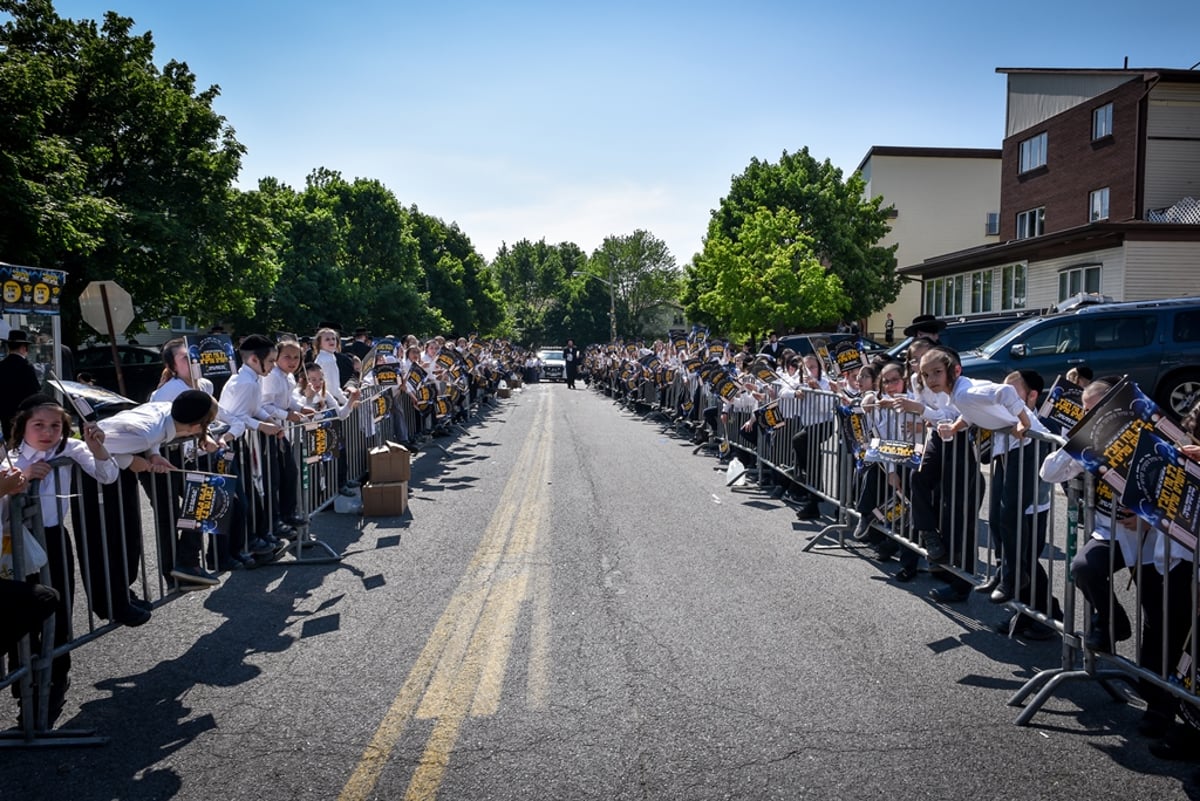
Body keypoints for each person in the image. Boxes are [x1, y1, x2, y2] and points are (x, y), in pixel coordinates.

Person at [9, 393, 118, 723]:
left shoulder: (70, 449)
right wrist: (23, 475)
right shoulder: (11, 456)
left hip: (53, 539)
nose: (47, 432)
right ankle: (23, 688)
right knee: (19, 613)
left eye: (55, 425)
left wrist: (97, 445)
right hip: (15, 543)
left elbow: (108, 475)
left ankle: (55, 680)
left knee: (58, 608)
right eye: (38, 425)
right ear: (23, 426)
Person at [0, 330, 43, 442]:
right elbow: (35, 391)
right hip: (24, 413)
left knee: (10, 441)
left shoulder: (1, 366)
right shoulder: (26, 366)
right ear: (24, 348)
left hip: (5, 413)